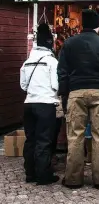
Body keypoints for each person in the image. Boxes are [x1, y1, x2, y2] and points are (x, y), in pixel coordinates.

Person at [58, 9, 99, 189]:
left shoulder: (69, 44)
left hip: (75, 92)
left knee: (75, 136)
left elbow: (62, 72)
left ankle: (72, 179)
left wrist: (64, 94)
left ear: (82, 24)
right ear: (97, 25)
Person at [20, 23, 60, 185]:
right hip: (46, 104)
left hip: (29, 103)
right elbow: (56, 85)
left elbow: (23, 85)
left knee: (31, 139)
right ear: (50, 44)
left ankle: (30, 173)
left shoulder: (27, 62)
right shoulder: (51, 62)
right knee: (44, 140)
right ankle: (43, 175)